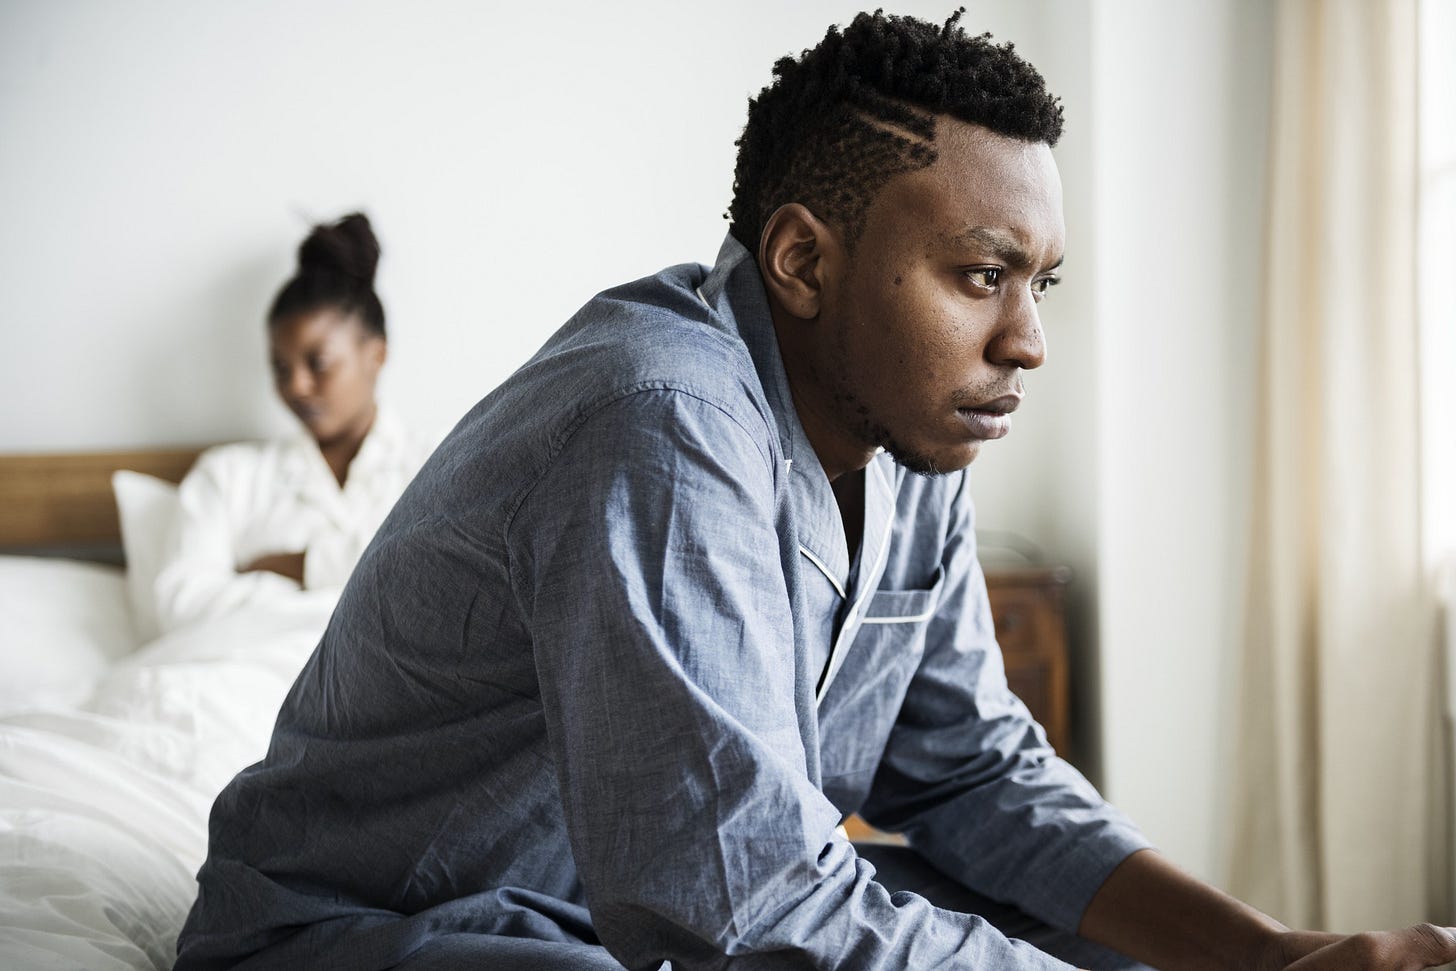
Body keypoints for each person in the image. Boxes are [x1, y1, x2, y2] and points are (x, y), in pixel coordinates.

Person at [174, 13, 1456, 971]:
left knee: (1110, 945)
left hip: (612, 916)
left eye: (1040, 284)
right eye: (981, 275)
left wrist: (1271, 950)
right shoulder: (660, 424)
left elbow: (969, 773)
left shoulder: (910, 433)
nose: (1026, 341)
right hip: (377, 930)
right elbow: (748, 910)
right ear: (801, 259)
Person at [153, 213, 430, 635]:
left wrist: (301, 566)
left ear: (376, 355)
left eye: (318, 363)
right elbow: (180, 608)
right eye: (281, 369)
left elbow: (442, 586)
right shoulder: (227, 476)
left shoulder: (439, 464)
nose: (296, 386)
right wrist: (354, 589)